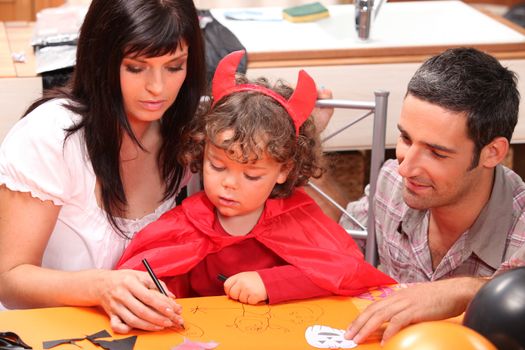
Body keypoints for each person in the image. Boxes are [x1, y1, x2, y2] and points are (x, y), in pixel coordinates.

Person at [116, 50, 395, 305]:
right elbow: (133, 280)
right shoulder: (185, 224)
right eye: (218, 166)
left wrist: (271, 283)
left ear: (283, 171)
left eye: (251, 175)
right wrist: (153, 292)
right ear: (202, 153)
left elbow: (348, 272)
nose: (229, 184)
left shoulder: (297, 218)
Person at [0, 0, 207, 333]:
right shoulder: (50, 137)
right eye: (136, 67)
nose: (158, 87)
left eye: (175, 66)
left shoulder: (189, 132)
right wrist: (100, 287)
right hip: (50, 332)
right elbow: (10, 279)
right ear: (102, 61)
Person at [337, 47, 525, 344]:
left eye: (437, 153)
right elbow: (332, 236)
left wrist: (463, 291)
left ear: (493, 152)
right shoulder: (390, 182)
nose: (406, 168)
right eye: (405, 138)